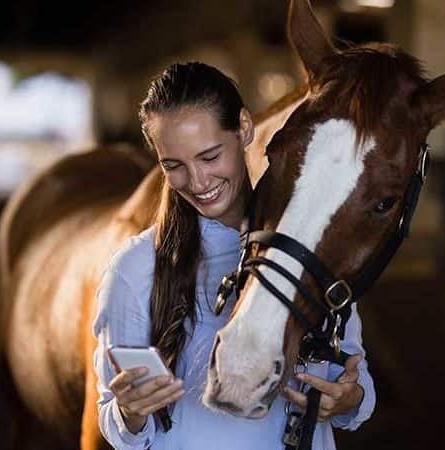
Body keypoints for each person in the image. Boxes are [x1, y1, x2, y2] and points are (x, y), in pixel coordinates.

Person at [92, 62, 375, 450]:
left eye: (209, 157)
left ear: (244, 129)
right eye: (173, 165)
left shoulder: (311, 246)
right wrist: (131, 412)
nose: (197, 182)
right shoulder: (136, 267)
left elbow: (354, 377)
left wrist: (349, 399)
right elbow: (113, 421)